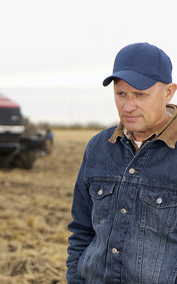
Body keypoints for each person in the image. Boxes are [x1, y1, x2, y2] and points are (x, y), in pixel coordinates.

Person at [66, 42, 177, 284]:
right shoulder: (98, 147)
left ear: (169, 92)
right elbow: (82, 230)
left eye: (140, 94)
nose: (128, 106)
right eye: (121, 94)